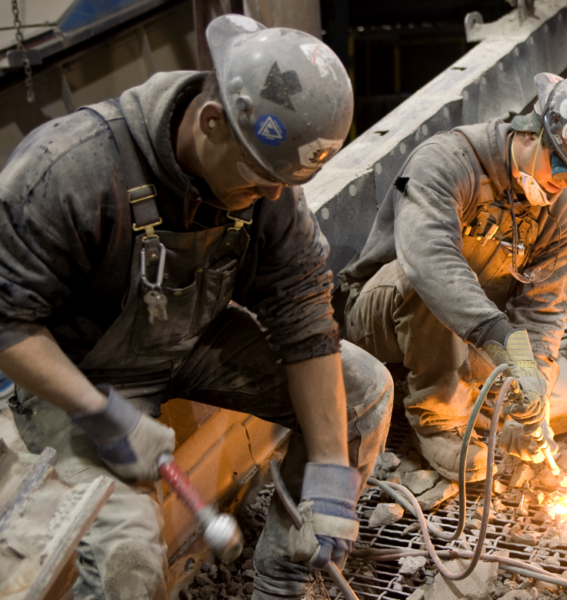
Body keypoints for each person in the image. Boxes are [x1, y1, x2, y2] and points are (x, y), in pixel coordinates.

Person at [0, 15, 392, 600]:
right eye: (261, 181)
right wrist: (96, 409)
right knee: (125, 564)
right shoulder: (71, 169)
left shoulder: (265, 181)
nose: (274, 197)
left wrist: (333, 468)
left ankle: (281, 582)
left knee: (363, 393)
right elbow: (8, 322)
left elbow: (304, 313)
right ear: (212, 122)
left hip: (191, 341)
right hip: (81, 373)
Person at [340, 73, 567, 483]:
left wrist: (534, 389)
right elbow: (429, 261)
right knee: (431, 280)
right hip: (384, 315)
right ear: (533, 130)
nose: (564, 184)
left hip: (473, 335)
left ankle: (480, 410)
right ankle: (441, 421)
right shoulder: (445, 161)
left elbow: (543, 311)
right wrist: (505, 344)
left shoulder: (560, 215)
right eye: (561, 166)